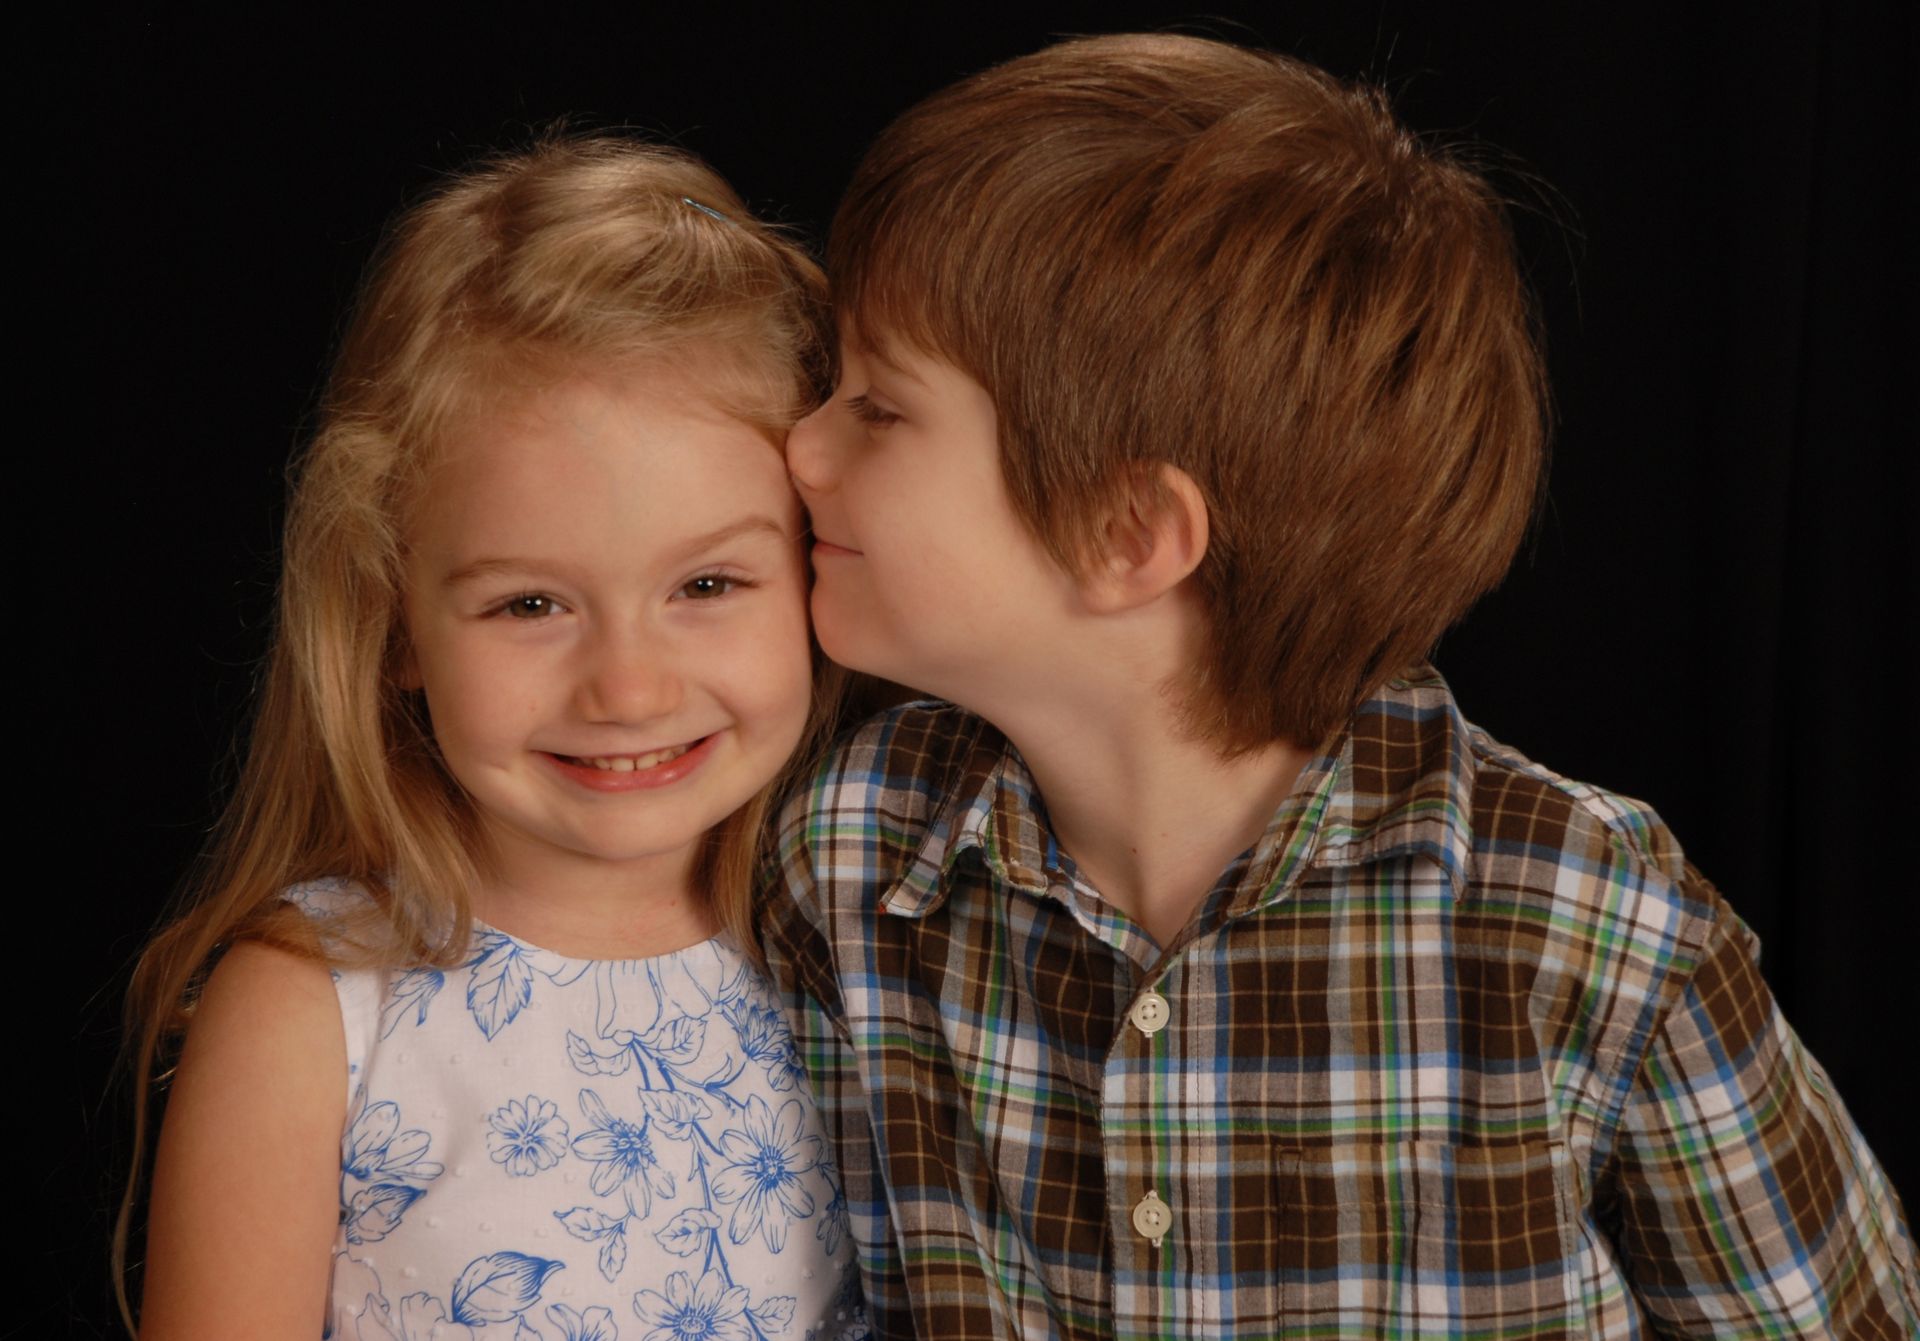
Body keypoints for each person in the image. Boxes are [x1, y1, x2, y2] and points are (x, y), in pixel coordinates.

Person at [763, 33, 1919, 1340]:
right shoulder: (843, 853)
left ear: (1127, 534)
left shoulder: (1588, 925)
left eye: (879, 407)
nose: (799, 447)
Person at [122, 137, 864, 1340]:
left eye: (709, 585)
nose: (627, 688)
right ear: (395, 621)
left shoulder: (867, 953)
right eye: (530, 605)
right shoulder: (313, 1010)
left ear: (820, 567)